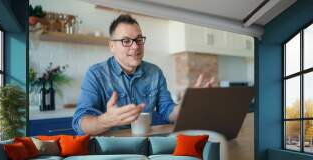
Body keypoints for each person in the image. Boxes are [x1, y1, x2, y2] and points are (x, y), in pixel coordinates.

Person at [72, 14, 214, 135]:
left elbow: (167, 110)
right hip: (110, 151)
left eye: (139, 40)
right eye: (126, 41)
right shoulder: (96, 74)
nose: (135, 46)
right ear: (112, 46)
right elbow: (80, 122)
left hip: (146, 146)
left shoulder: (154, 73)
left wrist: (186, 107)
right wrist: (106, 120)